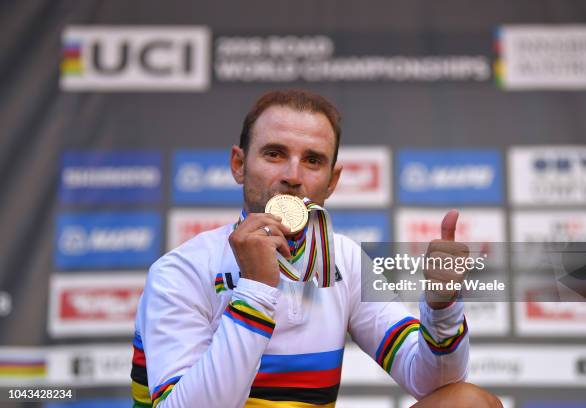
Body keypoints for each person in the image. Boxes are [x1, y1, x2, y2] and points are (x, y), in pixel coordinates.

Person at [130, 89, 502, 408]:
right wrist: (256, 291)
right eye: (274, 154)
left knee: (469, 402)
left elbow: (431, 382)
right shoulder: (180, 271)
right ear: (239, 164)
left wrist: (442, 307)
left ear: (332, 180)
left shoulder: (344, 259)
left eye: (312, 160)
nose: (293, 176)